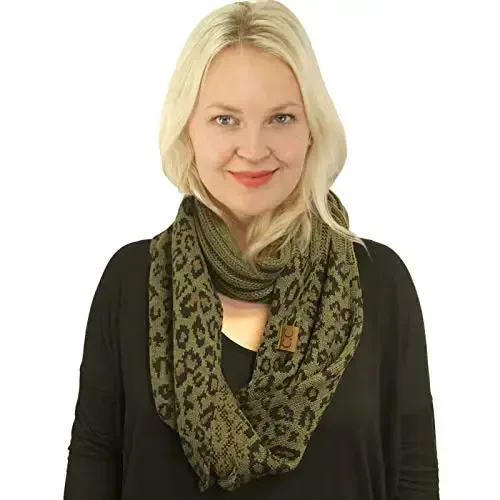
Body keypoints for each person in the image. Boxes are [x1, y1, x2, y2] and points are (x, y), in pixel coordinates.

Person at [63, 1, 440, 498]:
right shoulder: (132, 280)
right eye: (225, 120)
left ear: (312, 129)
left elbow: (413, 473)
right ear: (187, 128)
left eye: (281, 118)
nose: (255, 149)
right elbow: (94, 460)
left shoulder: (378, 280)